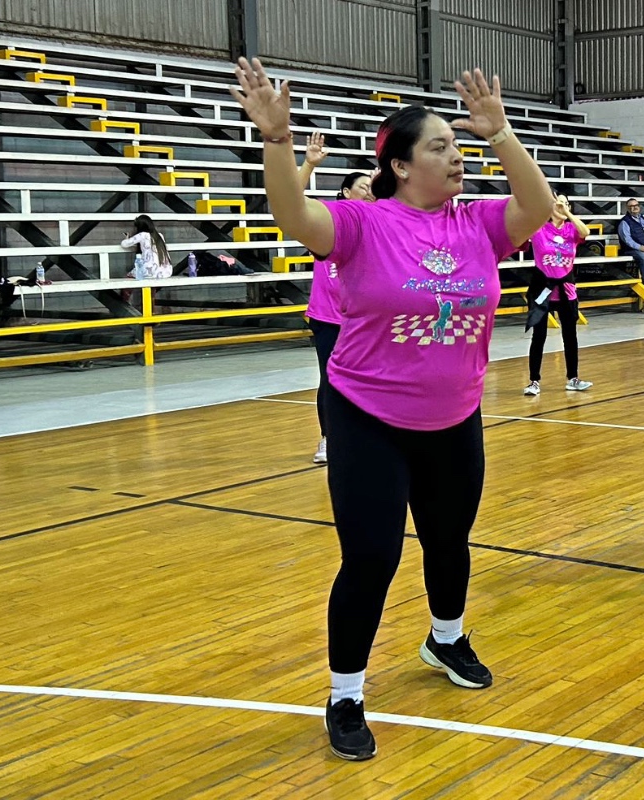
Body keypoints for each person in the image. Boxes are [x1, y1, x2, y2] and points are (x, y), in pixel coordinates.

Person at [231, 57, 553, 761]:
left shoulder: (481, 224)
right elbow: (295, 215)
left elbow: (537, 205)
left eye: (457, 145)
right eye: (440, 146)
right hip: (367, 416)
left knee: (449, 541)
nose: (455, 155)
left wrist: (501, 135)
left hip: (455, 416)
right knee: (371, 558)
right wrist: (278, 143)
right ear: (401, 166)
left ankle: (446, 639)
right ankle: (346, 694)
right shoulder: (363, 224)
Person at [301, 132, 374, 464]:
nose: (371, 192)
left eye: (375, 186)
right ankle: (329, 439)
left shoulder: (381, 221)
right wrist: (308, 165)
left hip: (368, 318)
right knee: (329, 379)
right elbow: (292, 201)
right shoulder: (328, 217)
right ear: (346, 192)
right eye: (364, 187)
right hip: (329, 316)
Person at [525, 193, 592, 396]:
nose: (560, 205)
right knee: (539, 336)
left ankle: (573, 378)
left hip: (566, 290)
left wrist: (568, 213)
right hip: (542, 289)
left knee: (570, 335)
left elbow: (585, 231)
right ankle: (534, 381)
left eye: (564, 202)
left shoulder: (572, 229)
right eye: (557, 202)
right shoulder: (539, 228)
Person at [120, 215, 173, 279]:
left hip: (150, 271)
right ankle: (153, 289)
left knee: (128, 276)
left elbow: (124, 244)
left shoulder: (142, 235)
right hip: (166, 271)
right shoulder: (160, 235)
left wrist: (127, 238)